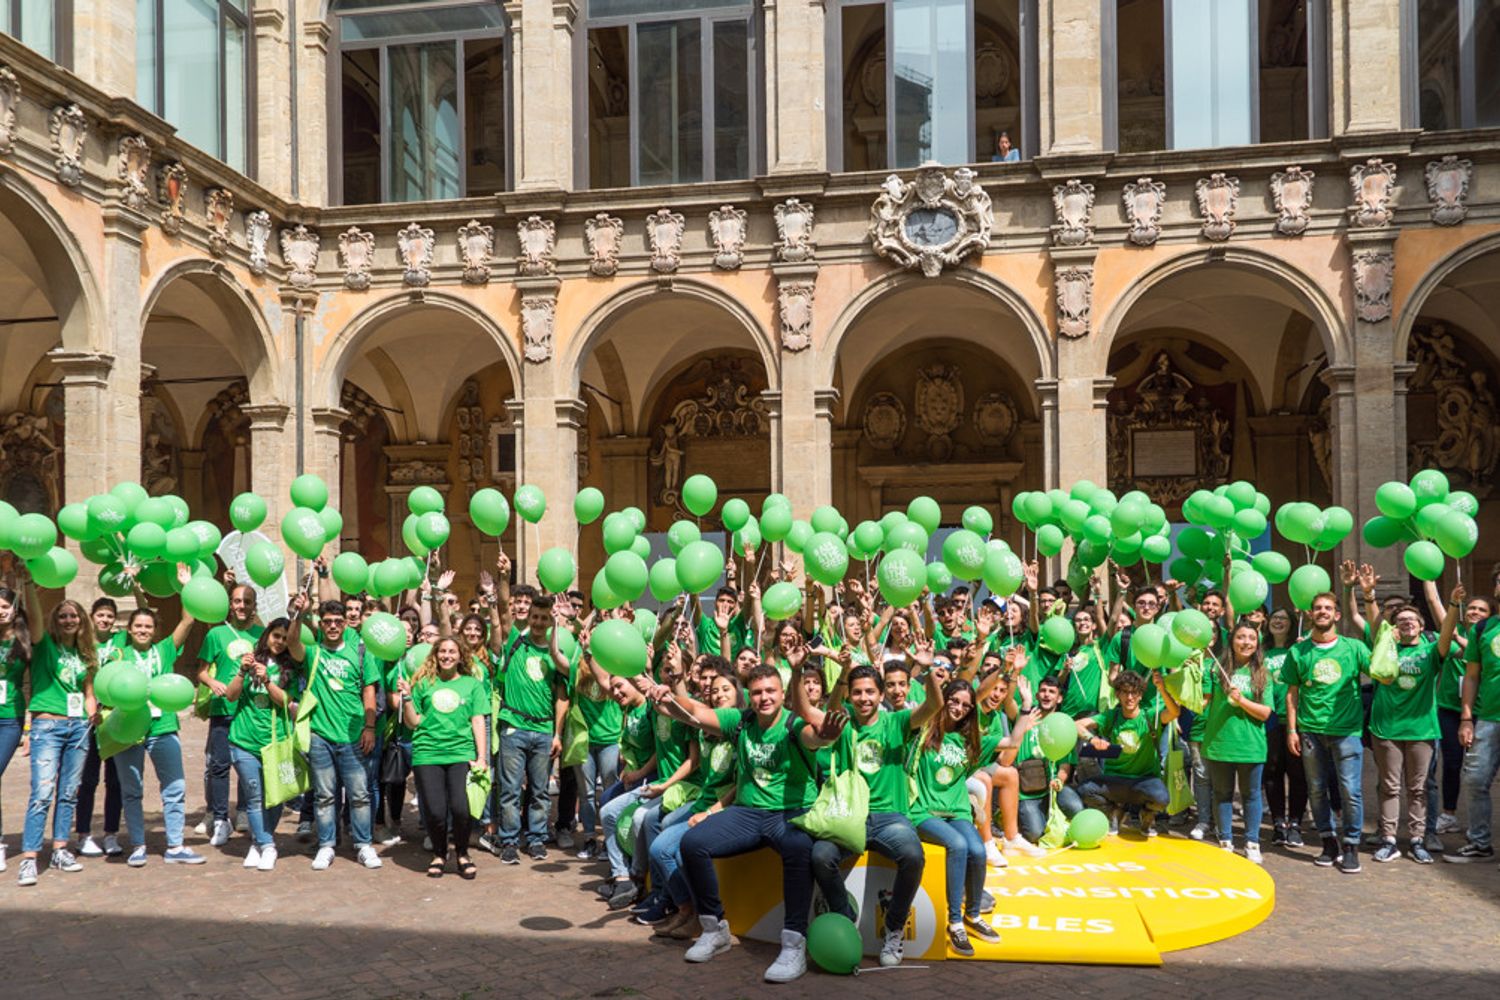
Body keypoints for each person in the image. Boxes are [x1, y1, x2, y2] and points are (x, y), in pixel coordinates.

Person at [672, 663, 840, 983]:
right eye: (758, 692)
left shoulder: (793, 723)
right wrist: (666, 695)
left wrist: (825, 735)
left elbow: (813, 738)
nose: (764, 698)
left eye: (771, 691)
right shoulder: (741, 721)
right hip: (747, 813)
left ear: (782, 694)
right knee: (692, 843)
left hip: (790, 812)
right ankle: (714, 928)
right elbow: (695, 711)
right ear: (748, 695)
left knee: (798, 847)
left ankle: (793, 943)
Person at [800, 657, 941, 966]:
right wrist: (836, 682)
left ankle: (893, 928)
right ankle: (844, 914)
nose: (864, 698)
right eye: (857, 692)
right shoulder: (841, 722)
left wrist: (928, 669)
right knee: (820, 856)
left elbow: (934, 704)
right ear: (849, 696)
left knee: (914, 856)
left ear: (881, 695)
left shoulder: (897, 722)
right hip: (849, 817)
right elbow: (811, 712)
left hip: (890, 817)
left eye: (869, 692)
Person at [907, 668, 1008, 956]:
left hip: (957, 812)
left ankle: (973, 916)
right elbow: (927, 702)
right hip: (923, 810)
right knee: (958, 845)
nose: (959, 708)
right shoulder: (924, 728)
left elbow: (1012, 742)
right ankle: (954, 922)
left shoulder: (969, 739)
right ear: (945, 699)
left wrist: (1025, 704)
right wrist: (927, 673)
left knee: (977, 850)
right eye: (954, 701)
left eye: (965, 705)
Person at [108, 592, 207, 867]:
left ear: (154, 631)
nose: (143, 630)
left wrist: (188, 588)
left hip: (163, 727)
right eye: (138, 626)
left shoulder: (164, 649)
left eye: (148, 626)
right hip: (129, 729)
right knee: (132, 789)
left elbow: (188, 621)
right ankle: (138, 845)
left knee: (175, 787)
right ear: (129, 629)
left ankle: (175, 845)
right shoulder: (119, 654)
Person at [17, 582, 97, 887]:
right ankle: (29, 858)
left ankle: (60, 850)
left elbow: (87, 691)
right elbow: (35, 621)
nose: (68, 620)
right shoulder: (44, 645)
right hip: (47, 728)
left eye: (74, 616)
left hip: (78, 728)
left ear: (81, 621)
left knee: (68, 793)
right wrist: (30, 590)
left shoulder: (86, 654)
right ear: (55, 620)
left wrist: (92, 712)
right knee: (41, 793)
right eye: (63, 616)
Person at [1285, 591, 1371, 873]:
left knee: (1351, 791)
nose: (1322, 611)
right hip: (1310, 732)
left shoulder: (1354, 648)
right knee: (1317, 790)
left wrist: (1366, 597)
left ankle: (1351, 846)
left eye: (1328, 608)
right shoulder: (1298, 652)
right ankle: (1328, 842)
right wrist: (1292, 730)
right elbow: (1292, 694)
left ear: (1337, 615)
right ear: (1310, 614)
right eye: (1317, 608)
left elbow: (1381, 670)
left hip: (1347, 731)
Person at [302, 599, 383, 871]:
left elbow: (369, 691)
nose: (333, 626)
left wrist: (369, 727)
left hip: (354, 734)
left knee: (359, 794)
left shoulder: (361, 651)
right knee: (324, 795)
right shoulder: (313, 653)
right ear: (320, 624)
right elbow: (291, 642)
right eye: (327, 622)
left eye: (338, 621)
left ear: (346, 622)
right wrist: (298, 613)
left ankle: (363, 844)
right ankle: (326, 844)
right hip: (320, 735)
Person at [397, 636, 488, 879]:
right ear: (436, 655)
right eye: (443, 652)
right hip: (428, 754)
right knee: (435, 811)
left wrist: (481, 757)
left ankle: (462, 853)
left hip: (461, 754)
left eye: (452, 651)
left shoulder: (472, 685)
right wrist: (406, 698)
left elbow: (478, 720)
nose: (447, 656)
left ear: (460, 656)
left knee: (461, 808)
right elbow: (413, 721)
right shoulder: (423, 684)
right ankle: (439, 853)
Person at [224, 611, 306, 870]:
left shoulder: (290, 669)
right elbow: (230, 696)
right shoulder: (249, 660)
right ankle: (268, 845)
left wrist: (268, 680)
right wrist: (242, 671)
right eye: (275, 635)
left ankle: (258, 843)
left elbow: (286, 702)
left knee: (276, 797)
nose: (279, 641)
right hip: (244, 741)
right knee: (255, 797)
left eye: (284, 637)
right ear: (267, 635)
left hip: (276, 741)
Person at [1369, 602, 1450, 864]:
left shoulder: (1431, 651)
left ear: (1422, 626)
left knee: (1418, 789)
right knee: (1390, 787)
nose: (1406, 622)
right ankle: (1389, 839)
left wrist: (1451, 604)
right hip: (1386, 729)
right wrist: (1369, 596)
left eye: (1412, 619)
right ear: (1394, 627)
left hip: (1421, 730)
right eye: (1400, 620)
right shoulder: (1385, 648)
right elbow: (1375, 625)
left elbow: (1447, 632)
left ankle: (1417, 839)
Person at [495, 592, 570, 864]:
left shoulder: (556, 654)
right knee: (510, 790)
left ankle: (537, 839)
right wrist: (504, 579)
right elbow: (504, 608)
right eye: (534, 617)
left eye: (544, 618)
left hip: (543, 730)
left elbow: (563, 697)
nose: (538, 622)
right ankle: (510, 842)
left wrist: (558, 734)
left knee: (540, 790)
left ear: (551, 620)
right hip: (514, 726)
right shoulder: (516, 640)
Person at [195, 584, 262, 847]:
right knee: (220, 765)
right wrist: (212, 684)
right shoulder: (216, 634)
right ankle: (221, 819)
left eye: (246, 601)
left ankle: (244, 812)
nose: (241, 606)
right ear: (230, 605)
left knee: (249, 764)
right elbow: (201, 671)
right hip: (222, 709)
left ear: (254, 605)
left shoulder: (262, 634)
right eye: (236, 601)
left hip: (250, 710)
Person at [1076, 669, 1181, 835]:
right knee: (1084, 790)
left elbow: (1175, 712)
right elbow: (1077, 724)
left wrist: (1161, 689)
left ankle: (1146, 815)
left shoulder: (1150, 716)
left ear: (1140, 695)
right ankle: (1115, 811)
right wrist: (1092, 739)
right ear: (1118, 694)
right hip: (1115, 780)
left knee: (1162, 799)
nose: (1129, 697)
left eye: (1134, 693)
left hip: (1144, 781)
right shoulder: (1111, 716)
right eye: (1125, 692)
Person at [1202, 621, 1274, 864]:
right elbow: (1201, 702)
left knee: (1251, 795)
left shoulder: (1263, 673)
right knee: (1221, 793)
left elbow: (1265, 713)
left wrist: (1242, 700)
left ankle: (1252, 842)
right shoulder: (1214, 669)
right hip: (1219, 742)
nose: (1246, 642)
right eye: (1241, 637)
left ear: (1257, 643)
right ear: (1231, 641)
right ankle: (1225, 840)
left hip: (1251, 746)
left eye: (1251, 638)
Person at [1446, 578, 1500, 863]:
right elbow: (1472, 676)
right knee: (1475, 780)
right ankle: (1480, 843)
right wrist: (1466, 718)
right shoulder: (1483, 628)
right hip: (1489, 718)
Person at [1004, 677, 1084, 845]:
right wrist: (1015, 673)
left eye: (1052, 692)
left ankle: (1051, 817)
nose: (1047, 695)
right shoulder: (1025, 714)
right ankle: (1016, 815)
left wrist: (1059, 780)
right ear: (1037, 695)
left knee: (1078, 810)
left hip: (1053, 789)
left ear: (1059, 698)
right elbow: (1008, 701)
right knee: (1034, 834)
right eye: (1043, 691)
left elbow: (1065, 765)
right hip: (1027, 791)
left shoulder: (1063, 725)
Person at [76, 596, 123, 857]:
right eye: (101, 615)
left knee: (115, 780)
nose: (105, 620)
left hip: (115, 720)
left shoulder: (120, 642)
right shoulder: (82, 642)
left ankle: (112, 834)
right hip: (88, 719)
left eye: (109, 616)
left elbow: (146, 616)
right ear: (92, 616)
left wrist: (137, 587)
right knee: (88, 779)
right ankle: (83, 834)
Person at [1260, 607, 1306, 848]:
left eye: (1283, 618)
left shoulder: (1298, 647)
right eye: (1275, 618)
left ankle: (1296, 823)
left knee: (1298, 774)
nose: (1278, 621)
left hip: (1294, 719)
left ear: (1291, 624)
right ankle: (1278, 824)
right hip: (1268, 719)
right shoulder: (1261, 649)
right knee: (1272, 773)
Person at [0, 586, 30, 872]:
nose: (0, 610)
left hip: (11, 718)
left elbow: (31, 685)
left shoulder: (23, 641)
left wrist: (30, 728)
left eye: (4, 606)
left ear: (14, 609)